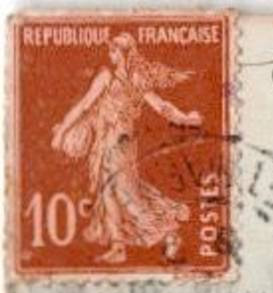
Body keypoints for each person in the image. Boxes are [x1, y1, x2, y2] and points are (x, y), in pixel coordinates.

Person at [49, 33, 203, 264]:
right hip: (109, 141)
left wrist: (186, 119)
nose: (111, 55)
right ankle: (119, 246)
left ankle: (168, 234)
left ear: (125, 53)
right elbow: (84, 106)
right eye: (110, 51)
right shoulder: (113, 76)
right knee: (109, 191)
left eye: (114, 51)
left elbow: (160, 106)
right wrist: (62, 131)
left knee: (123, 191)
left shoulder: (128, 77)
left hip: (119, 142)